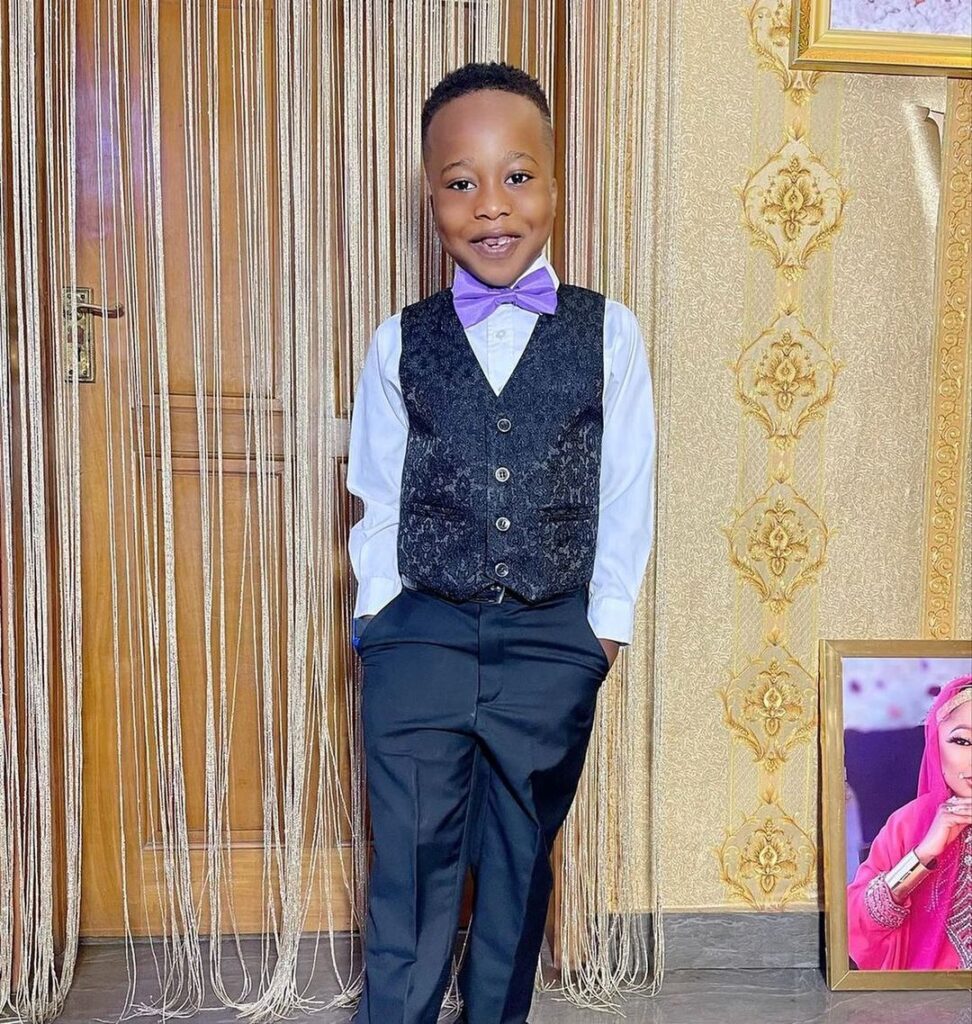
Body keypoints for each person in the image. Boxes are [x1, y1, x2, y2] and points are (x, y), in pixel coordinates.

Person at [345, 61, 656, 1024]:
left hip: (551, 639)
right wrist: (379, 617)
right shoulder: (401, 340)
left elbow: (627, 489)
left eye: (517, 176)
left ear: (555, 185)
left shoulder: (610, 334)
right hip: (419, 635)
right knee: (411, 864)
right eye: (460, 181)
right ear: (431, 194)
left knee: (518, 868)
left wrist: (599, 633)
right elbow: (377, 491)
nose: (491, 205)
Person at [846, 673, 972, 970]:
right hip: (927, 994)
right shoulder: (908, 823)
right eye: (962, 741)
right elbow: (857, 923)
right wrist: (924, 853)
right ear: (935, 743)